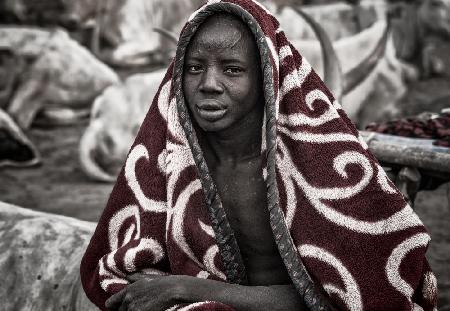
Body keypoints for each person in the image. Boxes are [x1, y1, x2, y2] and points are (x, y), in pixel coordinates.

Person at [80, 1, 437, 310]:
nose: (208, 83)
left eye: (232, 69)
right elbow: (123, 260)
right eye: (193, 67)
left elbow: (353, 293)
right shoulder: (170, 164)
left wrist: (187, 288)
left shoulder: (318, 166)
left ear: (268, 77)